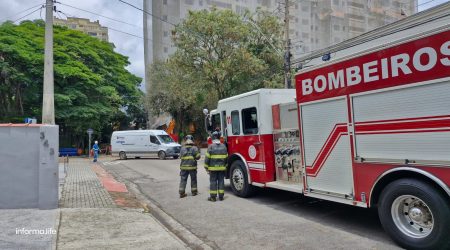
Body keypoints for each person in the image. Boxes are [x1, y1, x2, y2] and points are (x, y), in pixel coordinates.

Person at [204, 131, 228, 202]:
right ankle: (221, 197)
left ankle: (213, 197)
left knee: (213, 182)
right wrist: (226, 166)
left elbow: (207, 158)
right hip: (222, 168)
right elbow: (226, 158)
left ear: (213, 138)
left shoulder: (210, 146)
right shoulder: (223, 146)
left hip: (213, 169)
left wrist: (206, 167)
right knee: (221, 181)